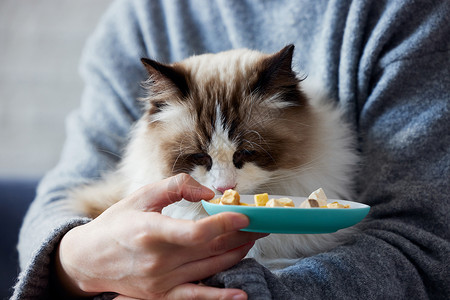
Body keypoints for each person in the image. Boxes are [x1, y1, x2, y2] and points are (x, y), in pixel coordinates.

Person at [12, 0, 449, 299]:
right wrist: (75, 261)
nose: (224, 182)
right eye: (199, 160)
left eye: (245, 157)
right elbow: (62, 198)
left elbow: (427, 244)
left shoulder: (401, 13)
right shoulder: (141, 16)